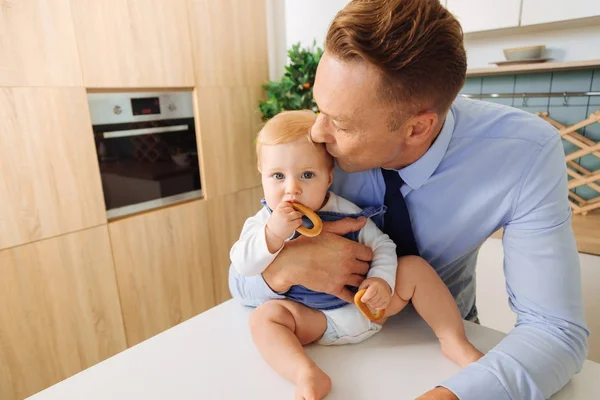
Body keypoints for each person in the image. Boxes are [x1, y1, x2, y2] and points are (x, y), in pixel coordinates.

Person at [230, 0, 589, 399]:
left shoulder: (524, 154)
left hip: (438, 340)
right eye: (319, 108)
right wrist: (284, 269)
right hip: (324, 331)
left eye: (341, 124)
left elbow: (556, 331)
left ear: (418, 128)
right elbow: (241, 276)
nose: (317, 133)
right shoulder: (314, 152)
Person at [230, 110, 483, 400]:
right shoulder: (263, 222)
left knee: (414, 267)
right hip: (314, 322)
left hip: (371, 313)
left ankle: (453, 340)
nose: (292, 189)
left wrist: (380, 281)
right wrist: (273, 235)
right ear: (261, 177)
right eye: (277, 176)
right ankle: (305, 373)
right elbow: (242, 263)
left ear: (328, 177)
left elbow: (383, 247)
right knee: (265, 318)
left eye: (307, 175)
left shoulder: (348, 211)